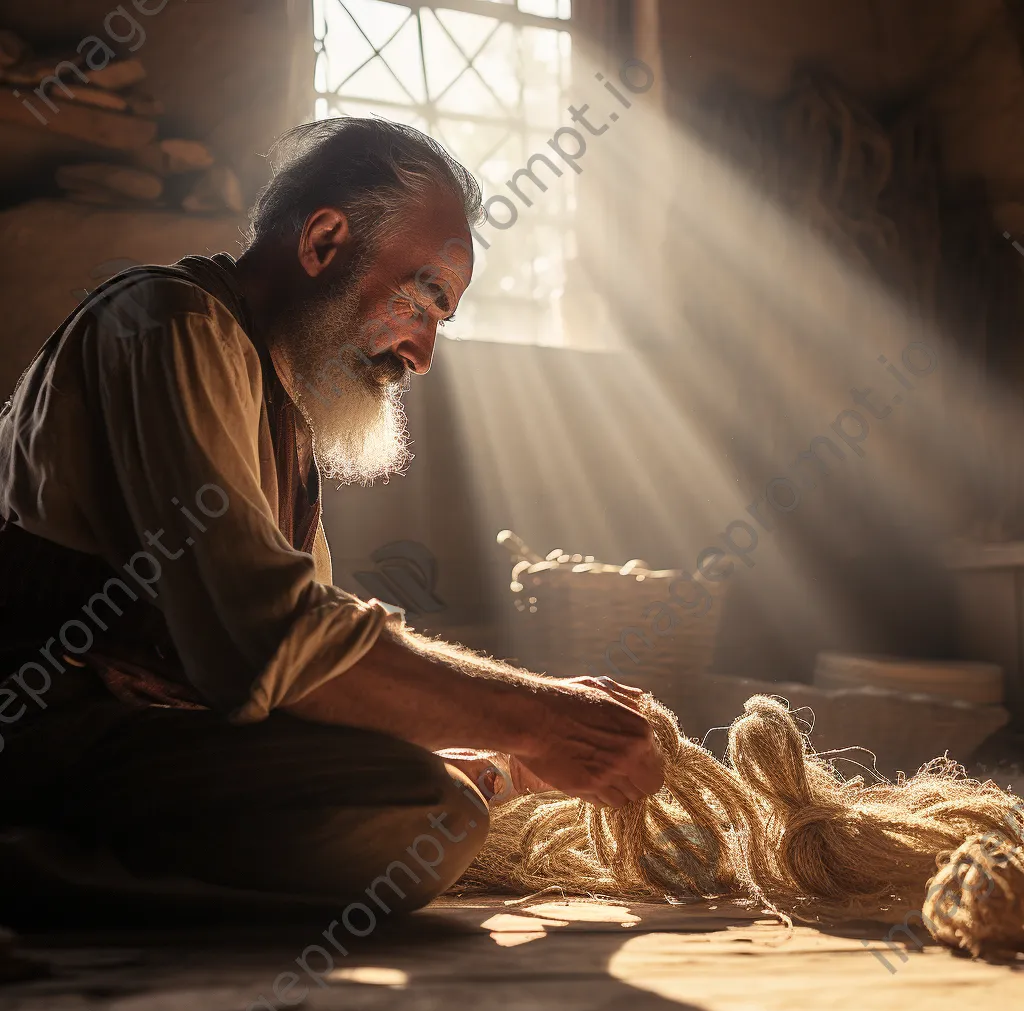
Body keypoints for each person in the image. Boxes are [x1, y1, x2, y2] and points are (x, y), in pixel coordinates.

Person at [0, 118, 663, 918]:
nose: (421, 354)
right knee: (428, 816)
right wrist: (541, 717)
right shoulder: (168, 324)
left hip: (144, 746)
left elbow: (313, 682)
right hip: (44, 733)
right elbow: (275, 643)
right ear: (322, 242)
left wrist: (510, 758)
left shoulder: (280, 415)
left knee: (440, 800)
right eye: (424, 301)